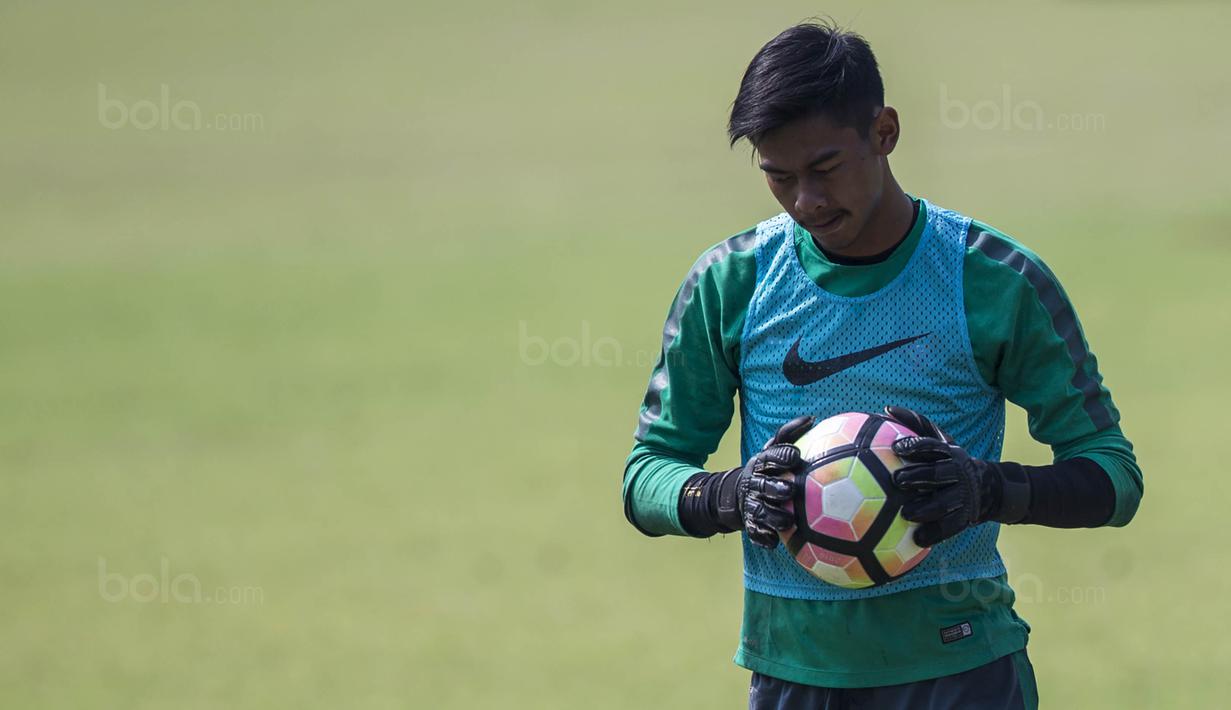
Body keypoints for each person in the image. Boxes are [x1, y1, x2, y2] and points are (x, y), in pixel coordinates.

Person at [620, 21, 1142, 709]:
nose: (804, 201)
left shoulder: (992, 280)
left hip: (961, 673)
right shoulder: (732, 282)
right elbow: (645, 475)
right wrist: (728, 494)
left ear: (884, 132)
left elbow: (1112, 477)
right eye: (778, 177)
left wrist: (988, 489)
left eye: (824, 169)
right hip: (792, 674)